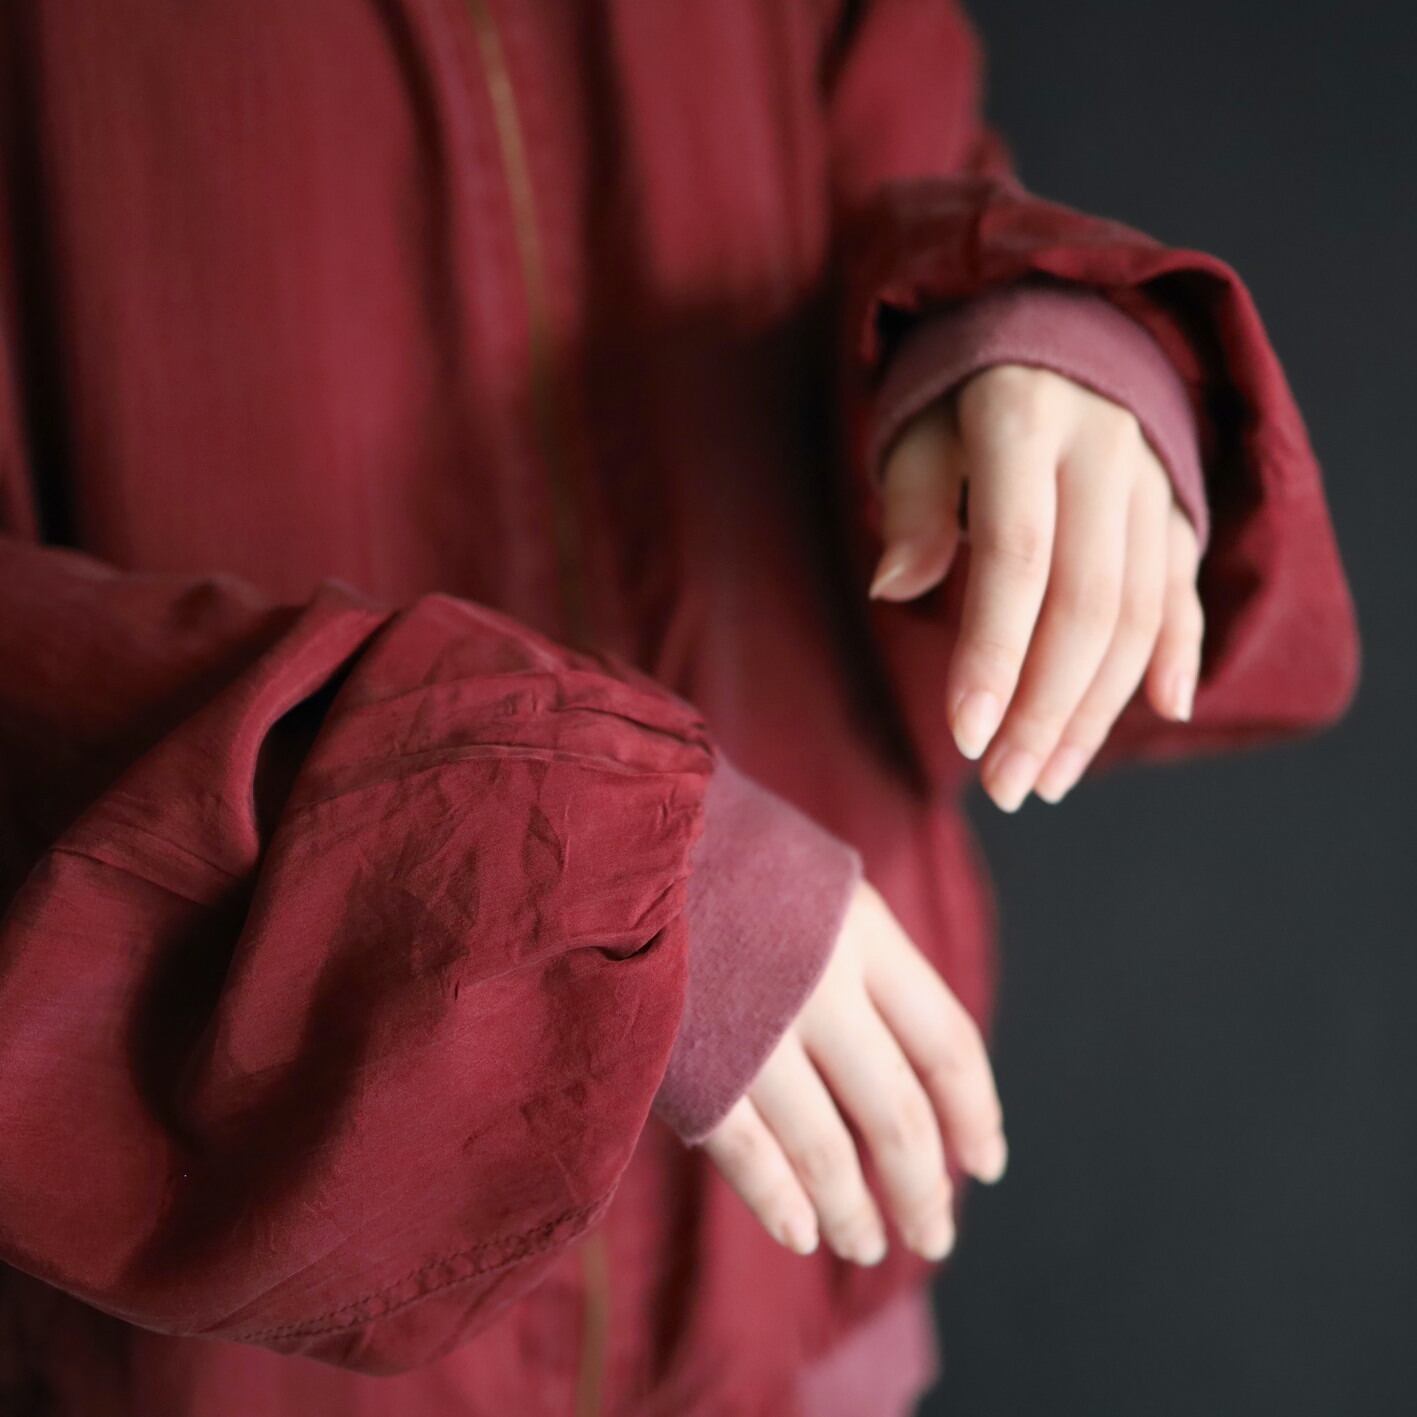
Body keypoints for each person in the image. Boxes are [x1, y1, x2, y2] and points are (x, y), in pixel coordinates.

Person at [0, 2, 1359, 1414]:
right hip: (220, 1351)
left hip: (788, 1298)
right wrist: (573, 850)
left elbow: (891, 186)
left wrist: (1023, 347)